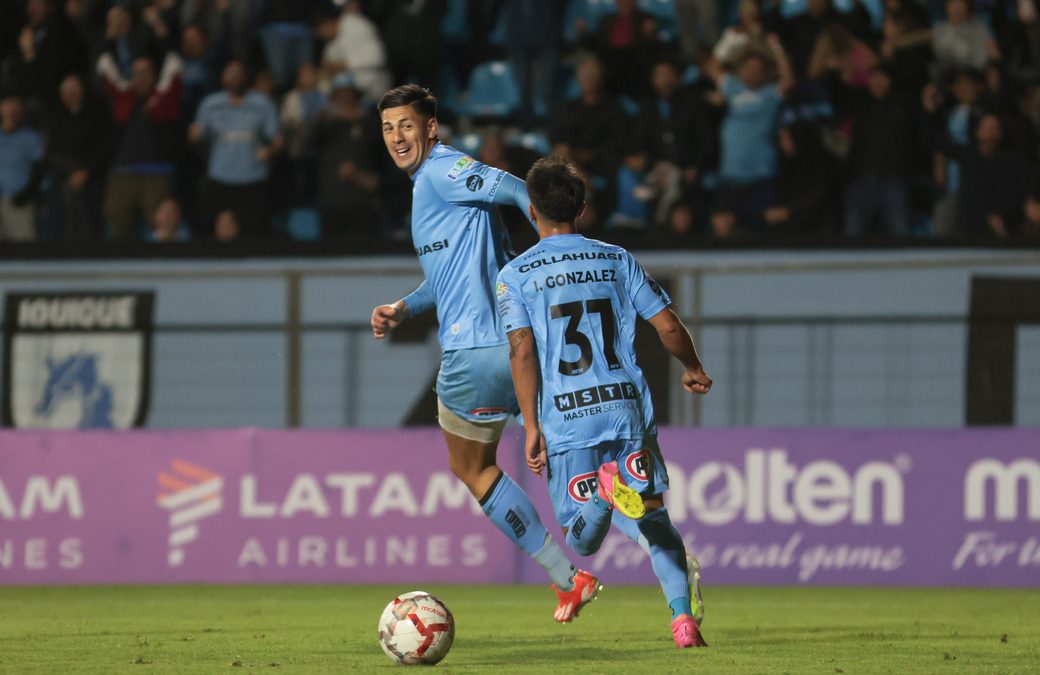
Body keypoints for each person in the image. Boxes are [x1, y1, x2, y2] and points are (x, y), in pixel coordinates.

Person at [368, 85, 599, 623]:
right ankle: (656, 543)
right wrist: (405, 306)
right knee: (569, 459)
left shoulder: (444, 171)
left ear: (431, 127)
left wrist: (552, 254)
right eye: (387, 128)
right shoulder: (436, 186)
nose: (397, 137)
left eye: (406, 125)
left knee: (471, 467)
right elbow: (448, 279)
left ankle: (568, 578)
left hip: (475, 354)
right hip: (522, 346)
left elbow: (521, 190)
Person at [495, 156, 712, 649]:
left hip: (567, 418)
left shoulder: (515, 275)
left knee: (580, 537)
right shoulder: (616, 258)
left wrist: (530, 425)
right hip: (624, 407)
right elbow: (668, 326)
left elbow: (522, 349)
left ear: (532, 211)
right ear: (583, 208)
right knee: (653, 517)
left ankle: (603, 493)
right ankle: (682, 621)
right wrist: (693, 368)